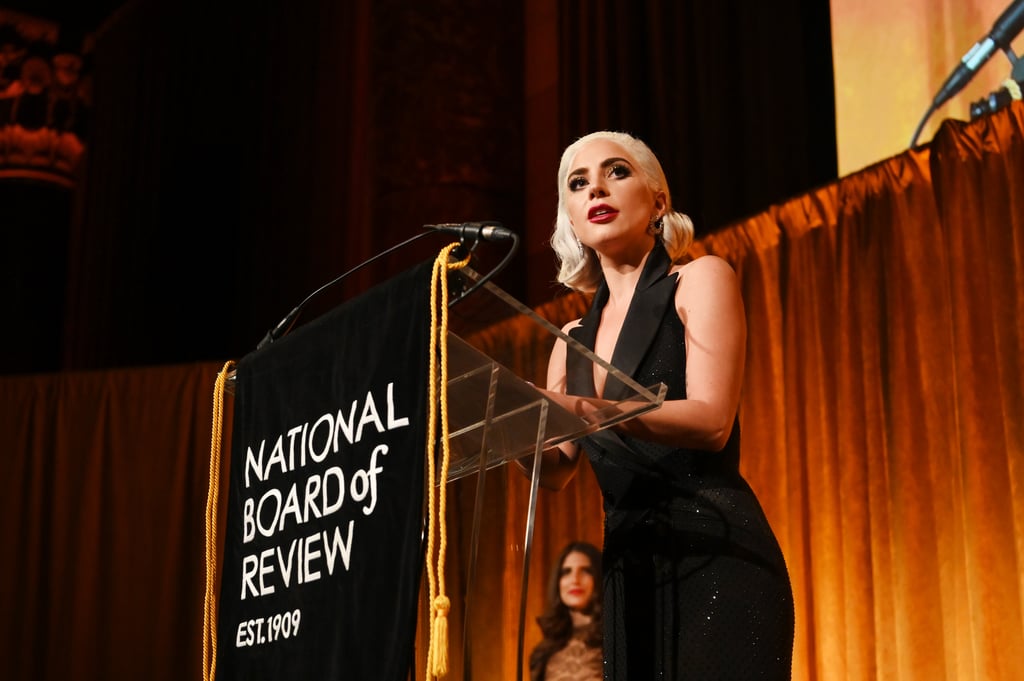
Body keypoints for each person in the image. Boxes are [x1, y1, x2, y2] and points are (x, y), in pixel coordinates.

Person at [534, 130, 794, 679]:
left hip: (720, 558)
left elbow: (712, 421)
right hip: (629, 577)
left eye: (616, 172)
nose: (595, 189)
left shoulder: (699, 280)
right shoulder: (569, 340)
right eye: (578, 185)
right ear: (573, 221)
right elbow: (554, 471)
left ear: (658, 201)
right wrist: (501, 419)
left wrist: (592, 411)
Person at [528, 541, 603, 681]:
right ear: (557, 582)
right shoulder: (545, 652)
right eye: (566, 572)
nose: (575, 579)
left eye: (586, 571)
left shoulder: (616, 640)